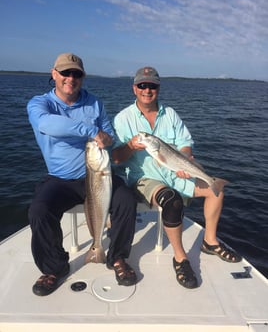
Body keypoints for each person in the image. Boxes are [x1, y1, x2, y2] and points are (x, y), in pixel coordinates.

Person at [112, 66, 241, 289]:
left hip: (175, 172)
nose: (147, 90)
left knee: (215, 190)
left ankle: (209, 242)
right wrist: (132, 146)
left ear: (158, 88)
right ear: (134, 88)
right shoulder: (123, 119)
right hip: (144, 178)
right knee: (172, 200)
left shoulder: (170, 114)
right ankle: (180, 258)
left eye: (152, 85)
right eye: (142, 85)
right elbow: (116, 158)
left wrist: (186, 162)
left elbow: (185, 145)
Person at [27, 53, 137, 296]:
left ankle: (117, 257)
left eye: (76, 73)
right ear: (53, 74)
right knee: (39, 210)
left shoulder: (94, 103)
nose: (70, 78)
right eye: (65, 72)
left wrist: (106, 138)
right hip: (61, 179)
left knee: (127, 200)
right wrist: (90, 131)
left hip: (99, 175)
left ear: (83, 77)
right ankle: (54, 268)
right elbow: (47, 125)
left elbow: (108, 135)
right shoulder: (39, 104)